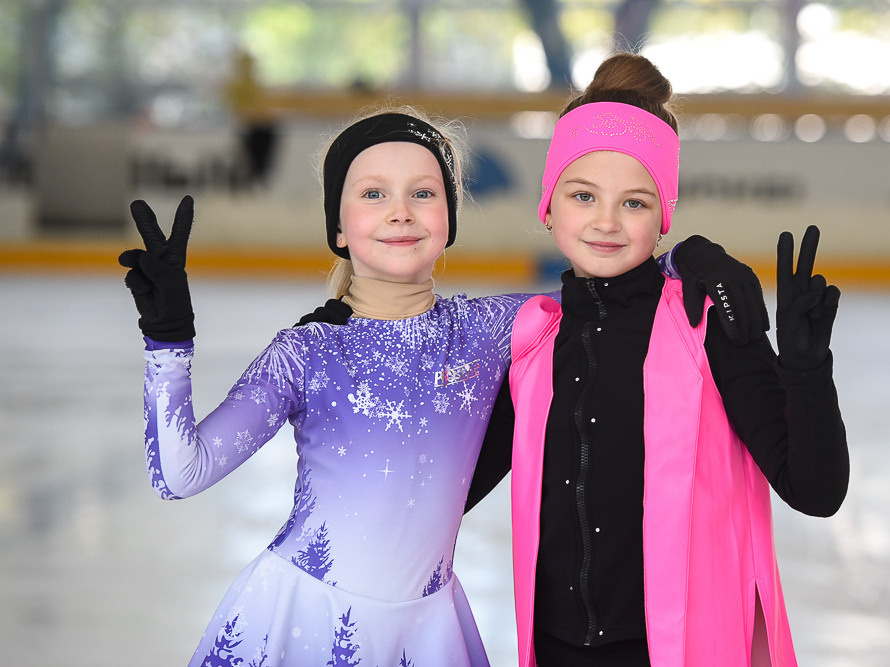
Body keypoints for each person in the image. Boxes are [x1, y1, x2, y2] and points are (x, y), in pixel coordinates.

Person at [119, 105, 765, 666]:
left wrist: (690, 255)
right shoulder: (305, 353)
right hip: (303, 622)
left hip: (428, 635)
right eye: (373, 193)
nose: (399, 211)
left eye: (422, 193)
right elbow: (181, 471)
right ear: (338, 228)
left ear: (449, 220)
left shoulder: (492, 329)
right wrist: (168, 339)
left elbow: (612, 283)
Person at [464, 53, 850, 666]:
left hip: (676, 651)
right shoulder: (531, 346)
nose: (606, 222)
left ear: (663, 216)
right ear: (549, 205)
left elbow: (816, 490)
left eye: (635, 203)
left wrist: (805, 371)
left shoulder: (706, 327)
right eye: (583, 195)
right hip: (559, 651)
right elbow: (443, 493)